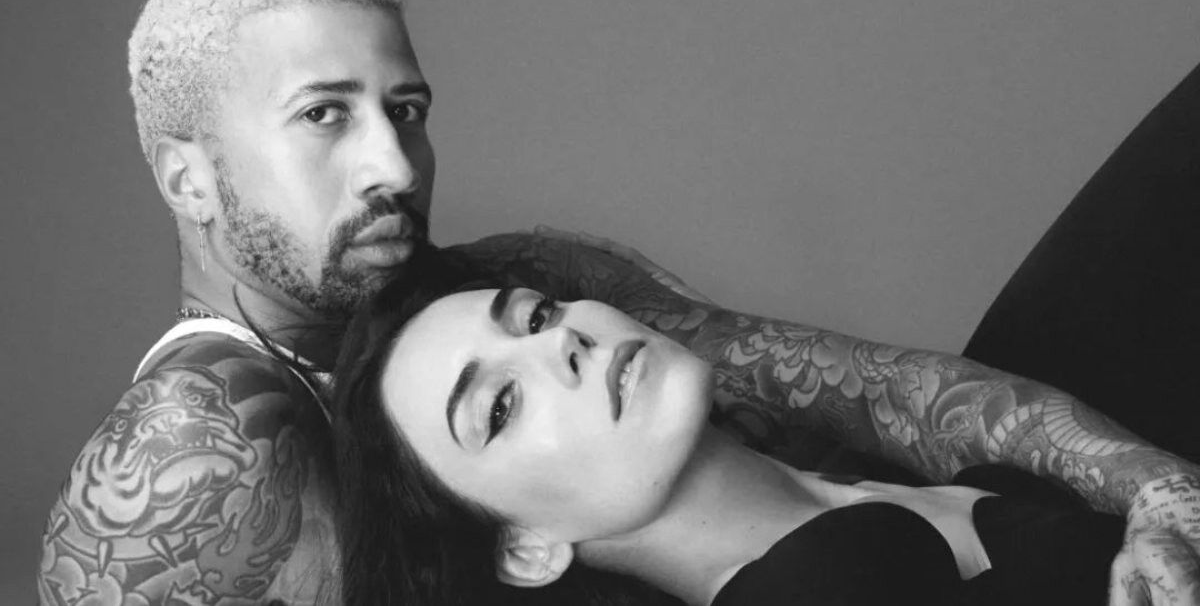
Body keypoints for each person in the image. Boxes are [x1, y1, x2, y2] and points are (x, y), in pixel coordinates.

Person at [34, 0, 1200, 605]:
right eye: (324, 115)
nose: (393, 164)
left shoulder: (512, 276)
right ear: (189, 178)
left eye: (407, 108)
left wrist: (1154, 490)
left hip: (969, 532)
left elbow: (878, 393)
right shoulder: (190, 458)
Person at [329, 246, 1128, 606]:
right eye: (500, 406)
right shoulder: (815, 584)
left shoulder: (868, 500)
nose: (559, 343)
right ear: (524, 549)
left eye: (534, 315)